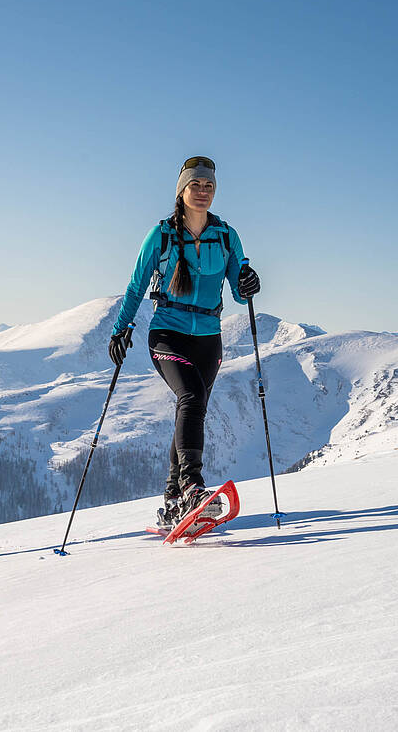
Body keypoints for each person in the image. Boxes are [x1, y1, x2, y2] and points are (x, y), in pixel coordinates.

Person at [107, 156, 261, 528]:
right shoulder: (160, 235)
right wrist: (120, 328)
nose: (204, 191)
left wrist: (248, 285)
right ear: (182, 190)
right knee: (190, 397)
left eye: (209, 186)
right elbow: (136, 284)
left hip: (209, 338)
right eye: (197, 185)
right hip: (168, 334)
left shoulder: (226, 235)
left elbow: (240, 292)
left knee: (191, 409)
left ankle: (174, 500)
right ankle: (193, 487)